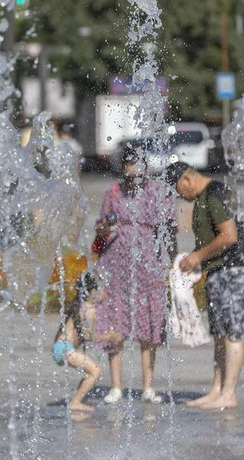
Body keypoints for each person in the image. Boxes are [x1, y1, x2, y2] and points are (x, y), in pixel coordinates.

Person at [93, 142, 177, 405]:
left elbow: (170, 228)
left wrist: (174, 261)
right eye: (130, 165)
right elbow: (100, 228)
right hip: (116, 266)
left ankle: (148, 387)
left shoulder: (158, 192)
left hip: (147, 267)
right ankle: (116, 386)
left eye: (139, 165)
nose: (134, 170)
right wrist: (105, 226)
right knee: (114, 323)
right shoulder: (114, 191)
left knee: (148, 325)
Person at [165, 161, 244, 410]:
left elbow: (229, 236)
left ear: (187, 180)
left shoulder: (215, 192)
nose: (180, 197)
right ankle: (216, 390)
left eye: (179, 190)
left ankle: (229, 393)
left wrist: (198, 256)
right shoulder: (202, 198)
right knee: (220, 334)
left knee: (232, 333)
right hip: (217, 272)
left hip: (232, 271)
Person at [52, 272, 120, 412]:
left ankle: (78, 399)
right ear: (92, 292)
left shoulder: (81, 306)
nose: (105, 292)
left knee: (90, 372)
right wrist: (109, 336)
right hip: (66, 349)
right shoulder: (90, 309)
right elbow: (87, 335)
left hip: (60, 347)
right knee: (96, 371)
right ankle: (75, 402)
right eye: (101, 289)